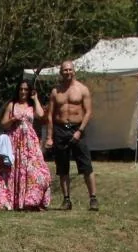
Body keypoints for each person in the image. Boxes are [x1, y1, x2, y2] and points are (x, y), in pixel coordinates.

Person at [0, 79, 50, 211]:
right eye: (21, 89)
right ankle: (10, 201)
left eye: (26, 89)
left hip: (30, 143)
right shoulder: (12, 105)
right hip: (14, 142)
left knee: (36, 170)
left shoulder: (32, 105)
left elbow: (41, 115)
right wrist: (12, 119)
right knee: (11, 171)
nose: (23, 92)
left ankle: (31, 200)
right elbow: (3, 124)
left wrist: (35, 98)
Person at [47, 60, 95, 211]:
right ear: (61, 72)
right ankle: (66, 199)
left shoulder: (82, 89)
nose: (67, 72)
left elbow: (88, 112)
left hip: (77, 128)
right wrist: (49, 137)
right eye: (64, 70)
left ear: (74, 71)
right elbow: (50, 115)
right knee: (62, 168)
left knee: (86, 166)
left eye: (69, 69)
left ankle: (93, 198)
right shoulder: (56, 91)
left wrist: (80, 131)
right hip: (60, 130)